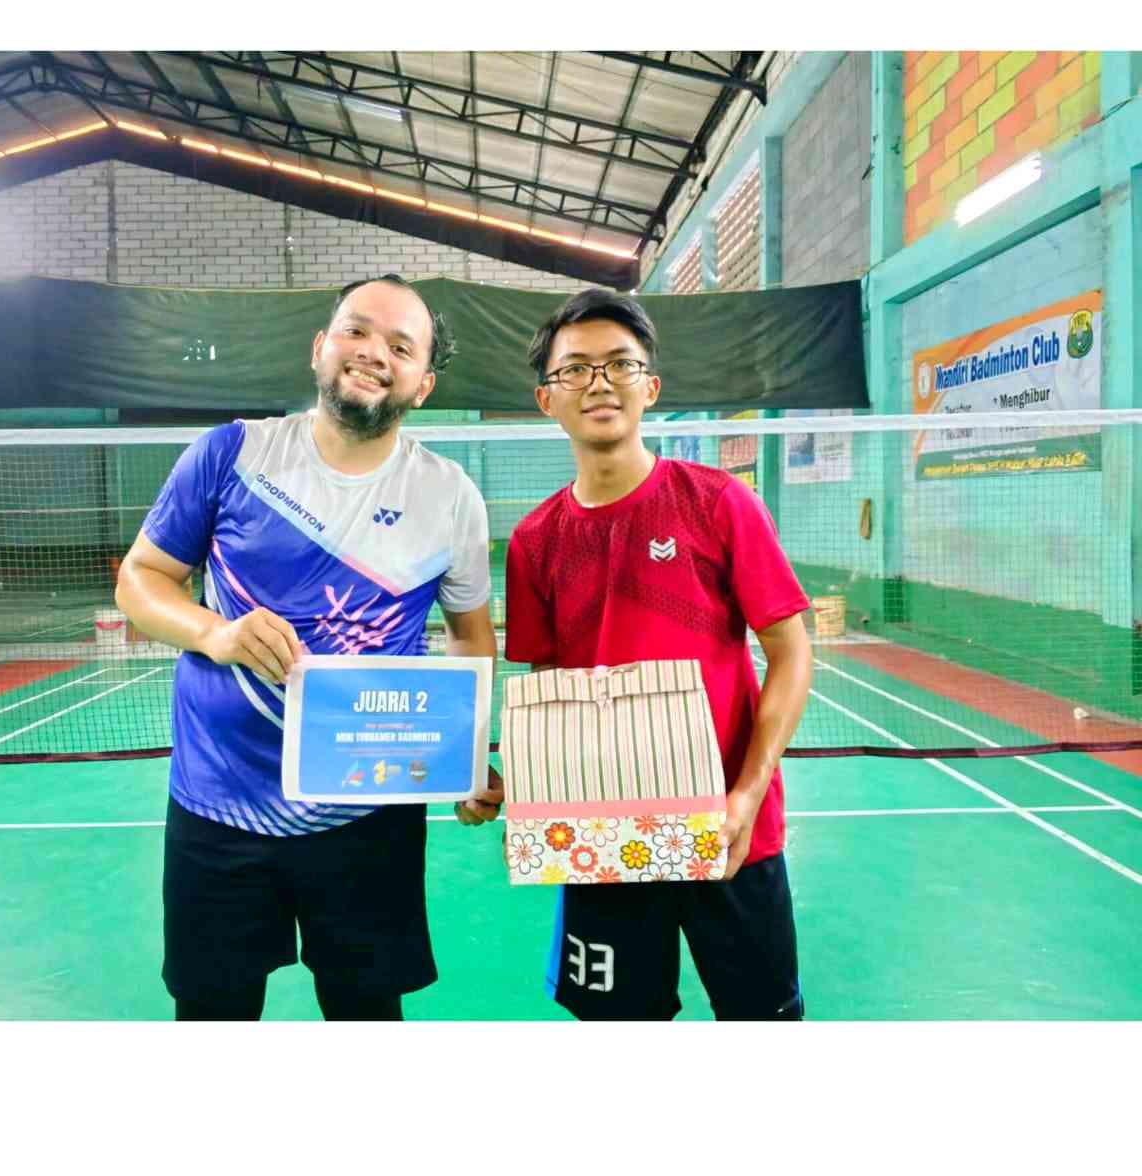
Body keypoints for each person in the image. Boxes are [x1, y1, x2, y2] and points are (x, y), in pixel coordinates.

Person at [116, 273, 503, 1022]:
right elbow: (141, 579)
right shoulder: (232, 454)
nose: (374, 353)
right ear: (320, 347)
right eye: (357, 330)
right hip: (217, 802)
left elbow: (469, 633)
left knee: (366, 1013)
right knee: (212, 1015)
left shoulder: (449, 495)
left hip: (368, 810)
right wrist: (216, 632)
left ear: (423, 384)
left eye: (401, 346)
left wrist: (465, 755)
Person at [504, 286, 813, 1021]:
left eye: (620, 364)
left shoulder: (718, 502)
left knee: (763, 1018)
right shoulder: (534, 542)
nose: (600, 382)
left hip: (730, 828)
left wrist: (747, 793)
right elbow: (550, 692)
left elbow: (791, 652)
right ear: (547, 398)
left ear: (651, 387)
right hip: (603, 837)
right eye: (575, 368)